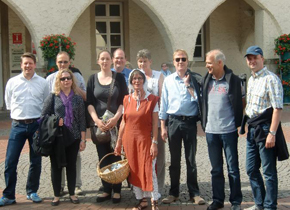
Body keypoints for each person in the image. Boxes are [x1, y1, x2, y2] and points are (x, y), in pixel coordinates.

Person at [1, 52, 49, 207]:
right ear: (21, 65)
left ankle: (32, 191)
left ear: (35, 64)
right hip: (17, 125)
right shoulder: (12, 82)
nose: (28, 66)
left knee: (35, 161)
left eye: (30, 63)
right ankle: (9, 195)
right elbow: (8, 103)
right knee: (10, 161)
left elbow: (46, 103)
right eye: (25, 63)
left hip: (36, 125)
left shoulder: (43, 83)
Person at [159, 49, 205, 205]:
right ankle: (174, 193)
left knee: (191, 160)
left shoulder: (194, 79)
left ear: (187, 61)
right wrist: (163, 126)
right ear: (173, 62)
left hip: (190, 123)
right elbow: (163, 105)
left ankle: (194, 193)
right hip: (173, 122)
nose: (180, 62)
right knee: (174, 161)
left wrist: (188, 86)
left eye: (183, 59)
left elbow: (199, 101)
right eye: (177, 59)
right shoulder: (168, 80)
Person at [202, 49, 243, 210]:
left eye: (209, 63)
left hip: (228, 131)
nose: (207, 66)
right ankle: (217, 200)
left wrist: (240, 124)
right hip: (211, 132)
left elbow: (241, 103)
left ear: (220, 63)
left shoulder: (233, 80)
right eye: (206, 63)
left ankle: (236, 201)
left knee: (232, 169)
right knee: (215, 169)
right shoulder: (207, 80)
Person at [243, 46, 283, 210]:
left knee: (268, 172)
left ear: (262, 59)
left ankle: (269, 206)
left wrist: (272, 133)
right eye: (249, 58)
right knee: (251, 169)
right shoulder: (252, 79)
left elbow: (277, 108)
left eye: (255, 58)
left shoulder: (271, 79)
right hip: (252, 129)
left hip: (266, 129)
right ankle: (259, 203)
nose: (252, 61)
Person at [114, 69, 160, 210]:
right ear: (131, 81)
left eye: (140, 78)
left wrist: (155, 143)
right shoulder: (126, 99)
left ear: (144, 81)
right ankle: (142, 200)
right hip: (130, 140)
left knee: (149, 169)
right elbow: (123, 122)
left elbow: (155, 124)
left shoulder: (152, 99)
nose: (137, 81)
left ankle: (154, 200)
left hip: (145, 140)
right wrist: (118, 142)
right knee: (134, 170)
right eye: (134, 78)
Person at [87, 50, 128, 203]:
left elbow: (124, 101)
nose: (104, 61)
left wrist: (116, 119)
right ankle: (106, 188)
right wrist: (97, 121)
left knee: (116, 155)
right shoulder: (92, 79)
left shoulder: (119, 78)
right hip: (100, 126)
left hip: (116, 125)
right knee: (102, 157)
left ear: (112, 61)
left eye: (107, 59)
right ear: (98, 61)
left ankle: (117, 189)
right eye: (102, 59)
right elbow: (90, 102)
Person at [42, 69, 86, 206]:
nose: (65, 81)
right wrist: (55, 120)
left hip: (73, 137)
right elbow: (43, 117)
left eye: (68, 78)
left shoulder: (78, 98)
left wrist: (83, 139)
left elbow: (82, 120)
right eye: (62, 79)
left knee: (71, 166)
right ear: (58, 81)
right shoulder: (53, 97)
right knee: (56, 166)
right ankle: (56, 195)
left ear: (72, 80)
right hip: (57, 138)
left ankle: (72, 193)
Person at [136, 49, 165, 194]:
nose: (142, 64)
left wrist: (162, 121)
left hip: (156, 120)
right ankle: (144, 187)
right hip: (141, 123)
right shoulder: (135, 76)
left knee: (158, 155)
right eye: (140, 61)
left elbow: (162, 98)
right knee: (142, 155)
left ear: (150, 62)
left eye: (145, 61)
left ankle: (158, 187)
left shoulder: (158, 76)